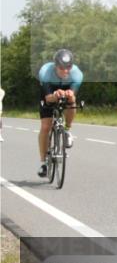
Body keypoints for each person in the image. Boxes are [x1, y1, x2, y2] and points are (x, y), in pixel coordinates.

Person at [37, 49, 83, 177]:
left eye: (68, 67)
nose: (65, 70)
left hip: (66, 88)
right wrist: (55, 95)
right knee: (46, 126)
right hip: (50, 91)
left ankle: (67, 129)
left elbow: (72, 94)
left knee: (72, 99)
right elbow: (48, 98)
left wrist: (69, 94)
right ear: (55, 65)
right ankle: (43, 163)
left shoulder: (77, 74)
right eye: (61, 68)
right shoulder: (45, 72)